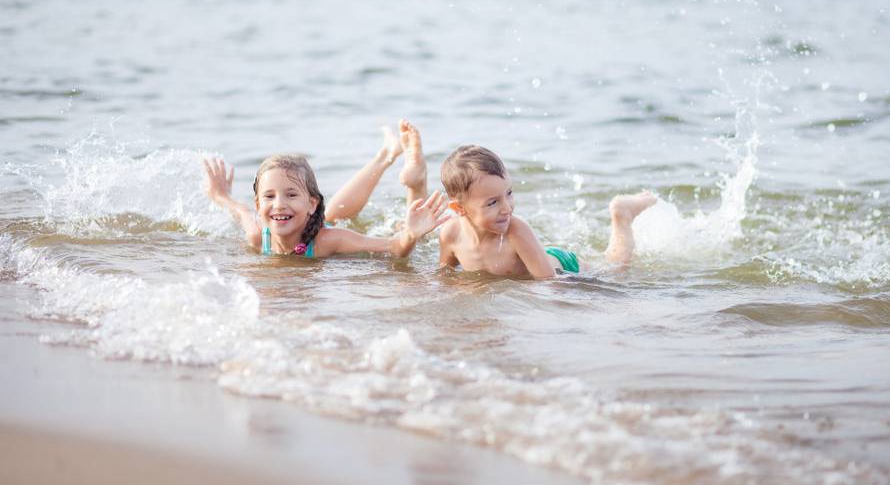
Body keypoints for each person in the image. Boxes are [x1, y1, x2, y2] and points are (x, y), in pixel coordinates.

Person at [203, 120, 447, 257]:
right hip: (311, 222)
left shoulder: (329, 241)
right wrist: (221, 196)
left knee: (334, 218)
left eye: (291, 194)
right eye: (269, 196)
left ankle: (415, 180)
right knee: (334, 213)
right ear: (259, 205)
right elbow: (241, 211)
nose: (278, 203)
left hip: (319, 229)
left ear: (312, 203)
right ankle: (387, 153)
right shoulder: (258, 236)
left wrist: (411, 235)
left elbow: (394, 247)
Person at [438, 145, 656, 279]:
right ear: (459, 209)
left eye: (510, 193)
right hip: (539, 255)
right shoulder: (451, 235)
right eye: (493, 202)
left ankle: (622, 214)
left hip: (561, 265)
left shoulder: (515, 230)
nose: (507, 208)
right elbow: (445, 275)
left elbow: (548, 282)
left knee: (614, 268)